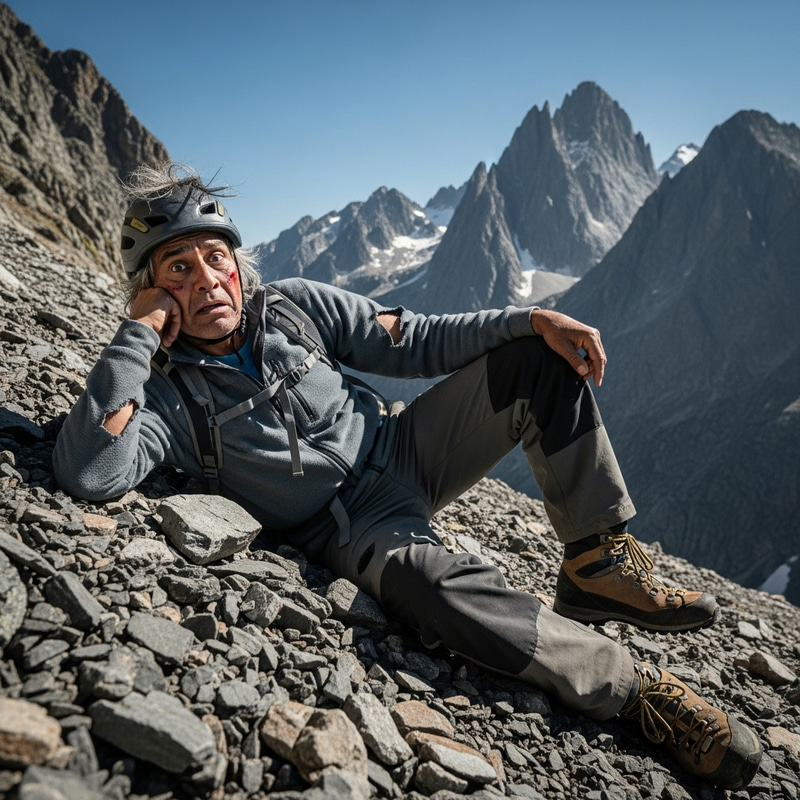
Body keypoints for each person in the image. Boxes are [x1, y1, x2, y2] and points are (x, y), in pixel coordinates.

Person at [53, 163, 761, 789]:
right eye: (178, 268)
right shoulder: (170, 396)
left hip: (405, 449)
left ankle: (598, 560)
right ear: (151, 290)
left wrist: (529, 318)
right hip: (353, 528)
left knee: (535, 360)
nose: (207, 280)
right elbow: (90, 469)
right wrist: (138, 337)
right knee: (435, 589)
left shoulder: (294, 306)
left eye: (216, 257)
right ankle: (632, 687)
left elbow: (418, 339)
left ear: (239, 263)